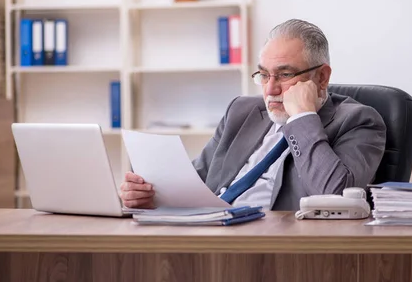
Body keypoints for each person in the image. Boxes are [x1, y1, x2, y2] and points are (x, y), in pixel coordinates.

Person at [120, 19, 386, 210]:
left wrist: (302, 119)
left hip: (277, 248)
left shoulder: (358, 121)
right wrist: (150, 195)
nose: (270, 89)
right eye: (264, 74)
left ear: (322, 76)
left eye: (285, 74)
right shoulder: (242, 111)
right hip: (210, 232)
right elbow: (195, 182)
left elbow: (336, 196)